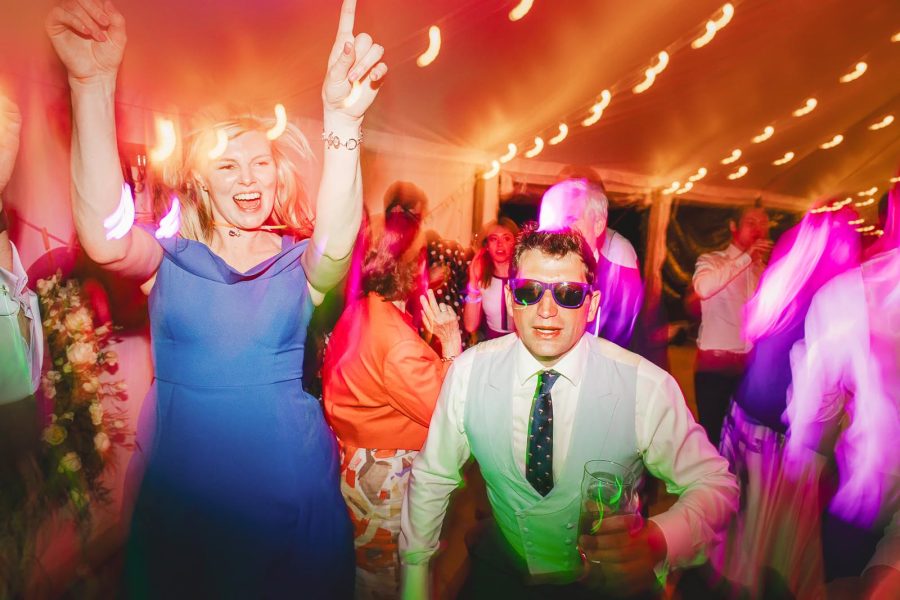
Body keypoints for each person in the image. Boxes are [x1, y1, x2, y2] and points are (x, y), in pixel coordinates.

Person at [46, 0, 386, 596]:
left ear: (279, 177)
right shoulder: (170, 258)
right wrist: (91, 85)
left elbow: (336, 245)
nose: (249, 179)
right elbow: (103, 236)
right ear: (202, 181)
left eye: (261, 163)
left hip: (292, 503)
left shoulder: (296, 263)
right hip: (189, 504)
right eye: (228, 166)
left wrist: (342, 123)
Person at [400, 226, 739, 599]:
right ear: (512, 299)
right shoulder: (469, 373)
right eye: (530, 292)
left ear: (592, 305)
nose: (547, 311)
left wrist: (659, 538)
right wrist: (414, 581)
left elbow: (716, 485)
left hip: (604, 585)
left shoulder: (644, 386)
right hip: (504, 570)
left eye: (568, 295)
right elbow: (432, 477)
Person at [711, 206, 860, 598]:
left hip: (746, 415)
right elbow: (822, 387)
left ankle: (736, 580)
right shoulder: (833, 295)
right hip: (780, 433)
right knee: (773, 541)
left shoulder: (783, 282)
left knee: (745, 527)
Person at [323, 208, 462, 599]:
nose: (427, 267)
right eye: (421, 259)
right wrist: (450, 345)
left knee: (371, 571)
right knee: (388, 578)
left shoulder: (361, 309)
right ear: (405, 269)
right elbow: (447, 414)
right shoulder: (396, 341)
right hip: (384, 476)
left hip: (359, 463)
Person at [786, 182, 900, 600]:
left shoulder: (845, 294)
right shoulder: (844, 292)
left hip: (869, 487)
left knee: (844, 584)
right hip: (867, 486)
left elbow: (814, 402)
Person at [691, 206, 771, 447]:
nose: (758, 228)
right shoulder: (712, 260)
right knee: (712, 443)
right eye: (751, 222)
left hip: (749, 370)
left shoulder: (764, 272)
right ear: (733, 227)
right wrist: (746, 257)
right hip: (715, 369)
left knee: (742, 444)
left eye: (763, 224)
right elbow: (703, 289)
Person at [537, 178, 643, 348]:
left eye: (570, 219)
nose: (559, 227)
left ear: (599, 224)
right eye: (555, 218)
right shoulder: (538, 272)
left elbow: (621, 346)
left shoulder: (617, 280)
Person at [463, 217, 519, 340]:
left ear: (515, 243)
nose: (500, 244)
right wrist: (473, 281)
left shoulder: (524, 276)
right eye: (494, 239)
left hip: (521, 346)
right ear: (487, 246)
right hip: (492, 348)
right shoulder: (482, 279)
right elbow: (470, 326)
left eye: (506, 238)